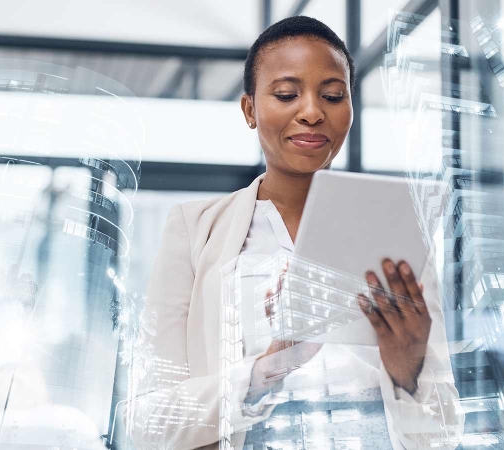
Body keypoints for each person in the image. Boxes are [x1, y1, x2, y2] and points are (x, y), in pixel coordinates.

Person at [127, 16, 464, 450]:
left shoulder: (396, 233)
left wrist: (410, 371)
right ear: (249, 109)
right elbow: (150, 421)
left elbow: (444, 434)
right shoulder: (195, 230)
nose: (312, 111)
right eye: (287, 94)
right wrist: (265, 369)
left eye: (333, 95)